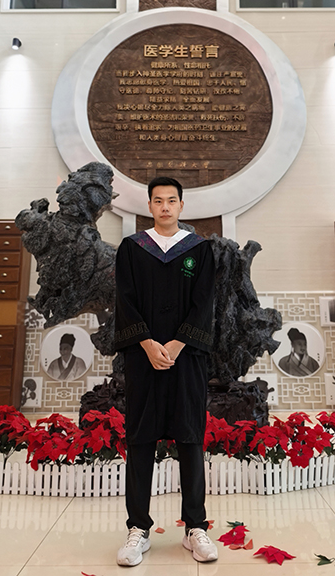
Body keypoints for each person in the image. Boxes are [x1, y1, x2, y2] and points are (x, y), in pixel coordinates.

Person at [115, 177, 218, 566]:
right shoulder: (132, 248)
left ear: (181, 206)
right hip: (143, 357)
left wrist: (177, 344)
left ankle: (195, 527)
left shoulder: (198, 250)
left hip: (185, 357)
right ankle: (138, 529)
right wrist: (146, 343)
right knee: (140, 438)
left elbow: (204, 302)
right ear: (149, 205)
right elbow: (124, 300)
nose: (164, 207)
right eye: (157, 201)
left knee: (190, 437)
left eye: (171, 201)